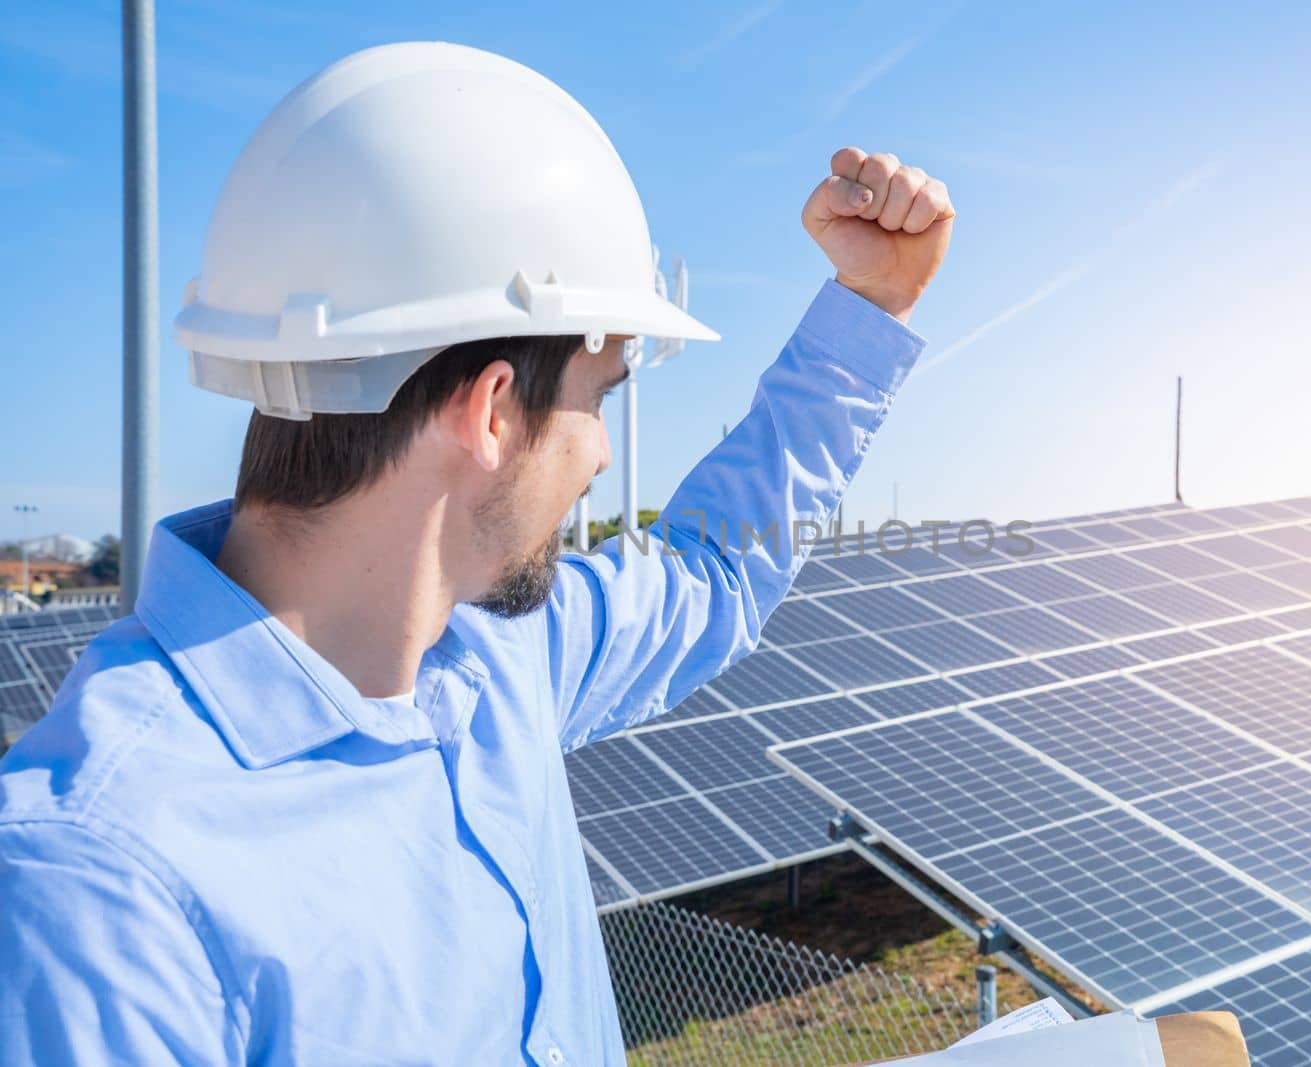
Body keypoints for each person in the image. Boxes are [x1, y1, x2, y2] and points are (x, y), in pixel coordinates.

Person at [0, 42, 953, 1065]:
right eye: (601, 397)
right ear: (493, 410)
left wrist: (870, 308)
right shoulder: (96, 890)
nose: (598, 453)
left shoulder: (498, 655)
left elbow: (711, 568)